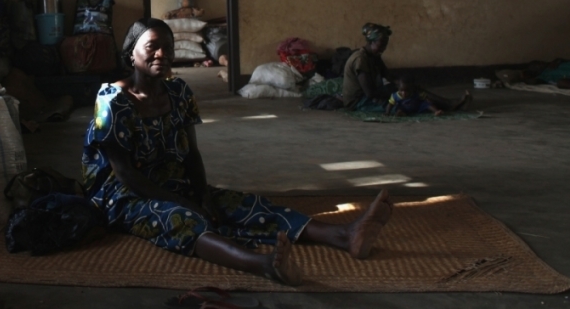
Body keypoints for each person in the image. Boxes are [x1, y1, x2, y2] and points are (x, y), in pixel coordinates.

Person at [82, 18, 393, 285]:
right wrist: (183, 201)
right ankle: (263, 265)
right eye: (152, 46)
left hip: (171, 181)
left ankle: (343, 236)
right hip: (124, 195)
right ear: (131, 52)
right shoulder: (113, 100)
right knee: (182, 218)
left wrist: (201, 194)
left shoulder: (178, 92)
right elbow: (124, 173)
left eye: (168, 46)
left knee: (241, 204)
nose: (162, 53)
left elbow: (191, 154)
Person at [342, 23, 395, 111]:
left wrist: (402, 85)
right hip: (357, 101)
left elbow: (388, 75)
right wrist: (393, 92)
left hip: (368, 96)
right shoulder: (360, 59)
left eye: (385, 46)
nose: (383, 49)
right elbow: (370, 93)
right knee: (397, 107)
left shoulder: (375, 57)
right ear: (371, 42)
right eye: (381, 45)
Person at [385, 75, 472, 117]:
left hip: (417, 106)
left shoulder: (415, 93)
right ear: (398, 89)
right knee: (400, 109)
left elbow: (425, 97)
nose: (404, 93)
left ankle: (436, 111)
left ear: (412, 89)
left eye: (407, 91)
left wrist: (428, 101)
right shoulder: (395, 95)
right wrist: (387, 113)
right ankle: (400, 113)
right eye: (402, 91)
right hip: (405, 107)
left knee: (427, 104)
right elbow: (390, 104)